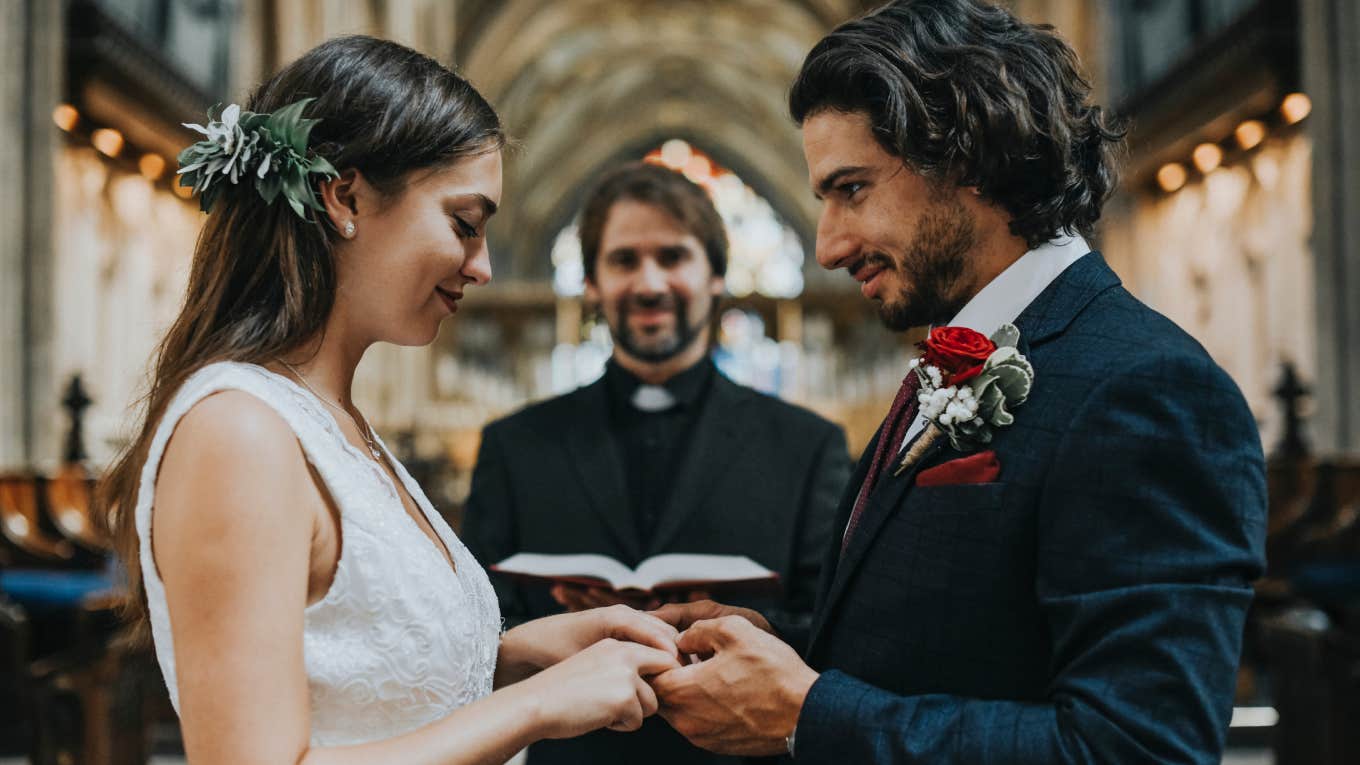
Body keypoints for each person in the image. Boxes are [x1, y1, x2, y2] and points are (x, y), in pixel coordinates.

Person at [648, 1, 1267, 763]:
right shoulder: (957, 352)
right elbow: (962, 641)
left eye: (853, 189)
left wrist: (806, 713)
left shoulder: (1146, 388)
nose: (830, 246)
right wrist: (781, 655)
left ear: (967, 157)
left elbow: (1137, 746)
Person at [99, 36, 681, 764]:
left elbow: (358, 685)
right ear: (345, 196)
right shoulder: (239, 430)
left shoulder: (333, 422)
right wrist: (534, 706)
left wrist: (516, 659)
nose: (483, 266)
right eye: (464, 224)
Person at [463, 161, 849, 764]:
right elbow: (478, 627)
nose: (649, 283)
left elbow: (830, 630)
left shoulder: (806, 445)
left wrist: (734, 627)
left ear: (716, 276)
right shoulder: (517, 445)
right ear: (590, 283)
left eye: (672, 257)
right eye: (623, 261)